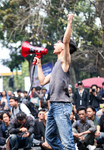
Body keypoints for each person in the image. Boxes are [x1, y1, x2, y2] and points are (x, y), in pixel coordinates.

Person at [33, 14, 77, 149]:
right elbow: (42, 81)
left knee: (68, 142)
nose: (54, 44)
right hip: (53, 106)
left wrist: (69, 22)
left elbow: (66, 40)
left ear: (63, 47)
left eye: (57, 43)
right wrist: (39, 64)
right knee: (50, 139)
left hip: (62, 105)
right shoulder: (56, 66)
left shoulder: (65, 61)